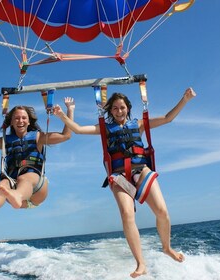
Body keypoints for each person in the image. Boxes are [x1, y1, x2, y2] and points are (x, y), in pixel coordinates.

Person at [53, 88, 196, 278]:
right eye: (115, 109)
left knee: (162, 211)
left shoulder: (139, 125)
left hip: (140, 171)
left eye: (122, 108)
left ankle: (167, 248)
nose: (119, 112)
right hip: (119, 176)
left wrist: (184, 99)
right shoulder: (105, 129)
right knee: (127, 214)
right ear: (110, 111)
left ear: (128, 108)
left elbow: (168, 118)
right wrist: (63, 115)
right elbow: (78, 129)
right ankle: (141, 263)